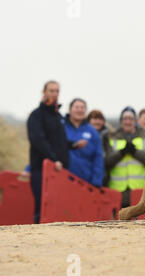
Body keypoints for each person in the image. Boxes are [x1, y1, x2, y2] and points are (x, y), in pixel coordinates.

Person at [26, 80, 69, 224]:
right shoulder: (36, 115)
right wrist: (53, 159)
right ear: (44, 92)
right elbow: (39, 140)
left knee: (57, 209)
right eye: (51, 90)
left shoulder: (58, 116)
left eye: (57, 91)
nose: (54, 94)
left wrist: (74, 145)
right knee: (42, 208)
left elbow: (59, 141)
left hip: (59, 171)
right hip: (41, 169)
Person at [104, 106, 145, 207]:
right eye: (125, 119)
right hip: (116, 191)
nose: (127, 122)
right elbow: (107, 162)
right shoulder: (111, 137)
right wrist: (121, 153)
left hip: (140, 191)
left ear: (135, 121)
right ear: (121, 121)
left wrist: (134, 152)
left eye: (130, 119)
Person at [64, 99, 104, 187]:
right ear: (70, 109)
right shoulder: (61, 127)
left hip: (85, 181)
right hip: (63, 179)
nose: (79, 110)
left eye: (82, 108)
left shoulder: (92, 132)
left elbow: (98, 157)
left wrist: (96, 181)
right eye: (76, 107)